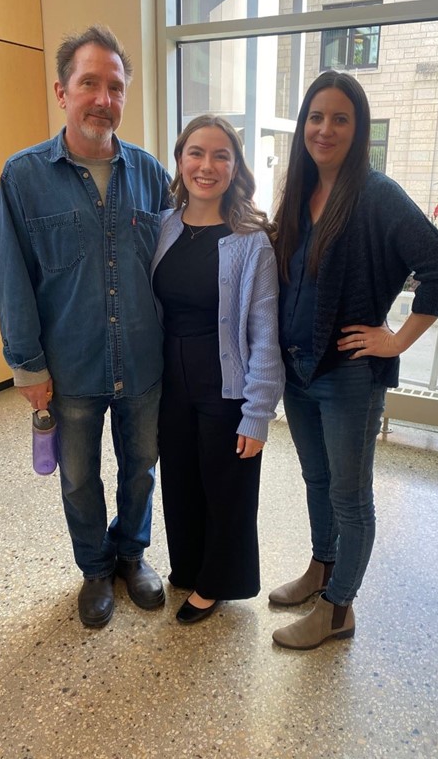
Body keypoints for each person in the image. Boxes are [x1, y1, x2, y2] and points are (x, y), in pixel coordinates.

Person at [269, 71, 438, 650]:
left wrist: (397, 339)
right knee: (316, 480)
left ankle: (338, 611)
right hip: (298, 371)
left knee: (350, 497)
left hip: (350, 377)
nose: (324, 129)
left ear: (359, 130)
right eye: (315, 117)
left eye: (339, 119)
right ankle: (321, 569)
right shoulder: (298, 192)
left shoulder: (377, 195)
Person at [0, 24, 172, 628]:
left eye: (115, 86)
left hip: (145, 362)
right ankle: (95, 568)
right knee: (78, 478)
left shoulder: (150, 174)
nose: (104, 98)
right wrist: (27, 364)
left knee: (141, 469)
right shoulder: (23, 178)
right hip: (69, 367)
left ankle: (132, 555)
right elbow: (12, 275)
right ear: (61, 91)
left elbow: (177, 264)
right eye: (89, 83)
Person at [151, 115, 285, 624]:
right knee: (180, 480)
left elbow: (264, 334)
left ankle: (217, 582)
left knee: (225, 485)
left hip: (224, 383)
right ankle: (187, 567)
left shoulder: (251, 240)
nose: (207, 166)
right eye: (196, 153)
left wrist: (258, 414)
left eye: (221, 155)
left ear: (235, 167)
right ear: (181, 160)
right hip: (172, 382)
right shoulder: (163, 226)